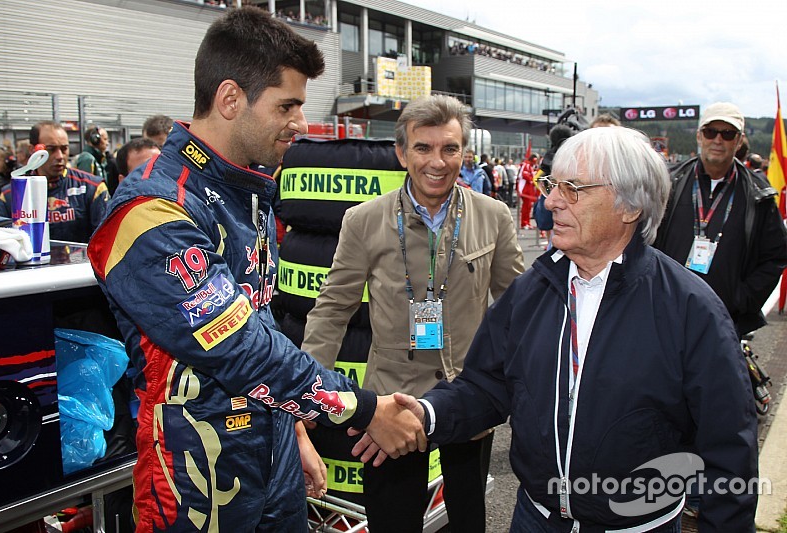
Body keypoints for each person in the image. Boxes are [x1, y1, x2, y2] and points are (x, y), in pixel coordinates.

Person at [86, 8, 422, 531]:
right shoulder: (152, 208)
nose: (300, 123)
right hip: (195, 473)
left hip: (273, 454)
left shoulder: (246, 188)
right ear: (229, 98)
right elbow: (239, 345)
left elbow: (263, 322)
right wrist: (363, 408)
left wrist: (295, 431)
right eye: (287, 105)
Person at [359, 126, 758, 532]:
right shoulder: (533, 290)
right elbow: (486, 384)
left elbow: (729, 452)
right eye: (552, 185)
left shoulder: (690, 309)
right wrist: (426, 413)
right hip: (535, 519)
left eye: (572, 189)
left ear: (629, 206)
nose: (550, 202)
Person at [302, 94, 524, 533]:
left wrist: (519, 387)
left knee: (468, 522)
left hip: (466, 400)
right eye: (423, 148)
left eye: (450, 148)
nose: (437, 162)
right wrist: (307, 395)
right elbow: (331, 310)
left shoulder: (494, 217)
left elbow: (518, 311)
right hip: (392, 405)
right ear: (402, 154)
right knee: (393, 522)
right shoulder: (364, 221)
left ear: (464, 153)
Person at [654, 102, 787, 337]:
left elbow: (775, 255)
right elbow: (645, 239)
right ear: (699, 136)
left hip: (724, 320)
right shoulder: (668, 182)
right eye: (710, 132)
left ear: (739, 141)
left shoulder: (758, 193)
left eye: (727, 134)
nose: (718, 140)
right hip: (667, 313)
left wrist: (742, 299)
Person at [0, 122, 109, 243]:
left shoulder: (92, 188)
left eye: (64, 149)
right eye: (51, 149)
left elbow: (105, 241)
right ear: (33, 150)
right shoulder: (11, 194)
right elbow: (1, 242)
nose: (60, 156)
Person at [517, 152, 538, 229]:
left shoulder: (530, 166)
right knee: (526, 207)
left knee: (528, 206)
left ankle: (527, 222)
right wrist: (532, 179)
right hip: (525, 189)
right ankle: (524, 223)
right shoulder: (526, 165)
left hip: (529, 189)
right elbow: (524, 175)